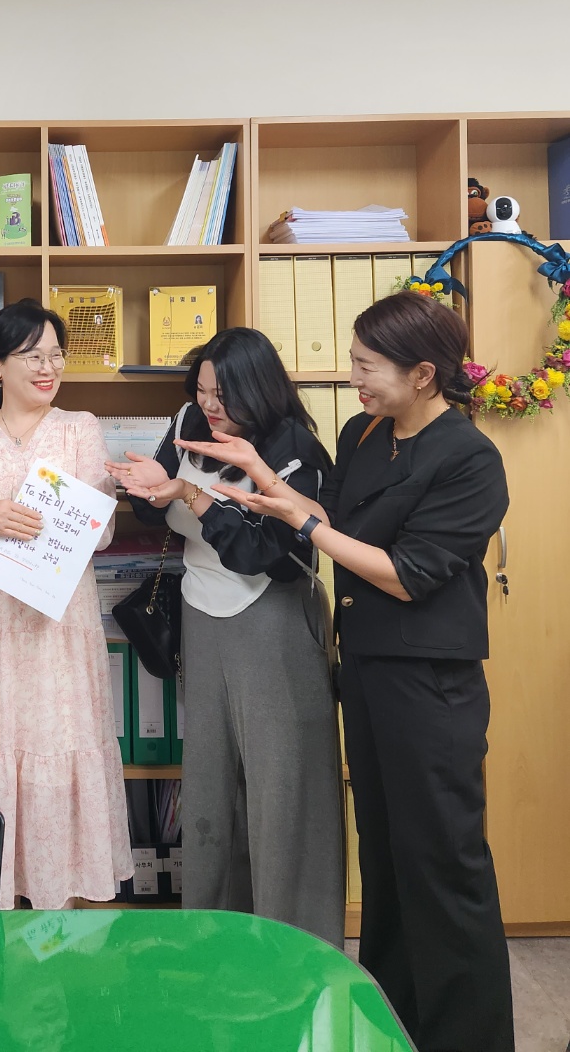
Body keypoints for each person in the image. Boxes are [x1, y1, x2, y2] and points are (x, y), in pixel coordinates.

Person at [194, 293, 512, 1052]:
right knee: (387, 857)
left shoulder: (469, 458)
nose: (353, 377)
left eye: (368, 366)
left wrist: (302, 521)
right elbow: (333, 518)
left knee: (442, 864)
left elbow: (408, 574)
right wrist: (264, 477)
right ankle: (393, 1020)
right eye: (353, 361)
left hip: (431, 684)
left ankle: (468, 1037)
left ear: (424, 374)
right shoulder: (364, 432)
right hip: (365, 669)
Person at [108, 327, 344, 947]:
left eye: (223, 394)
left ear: (258, 390)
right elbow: (161, 501)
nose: (209, 404)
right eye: (203, 389)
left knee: (281, 783)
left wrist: (193, 496)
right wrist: (148, 486)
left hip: (271, 617)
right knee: (211, 782)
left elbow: (264, 553)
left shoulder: (294, 450)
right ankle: (215, 933)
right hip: (200, 609)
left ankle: (295, 941)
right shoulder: (189, 419)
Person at [0, 298, 133, 908]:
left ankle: (54, 905)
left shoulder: (79, 428)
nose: (49, 368)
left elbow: (103, 530)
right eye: (32, 356)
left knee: (57, 744)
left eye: (57, 356)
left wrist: (69, 519)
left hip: (54, 629)